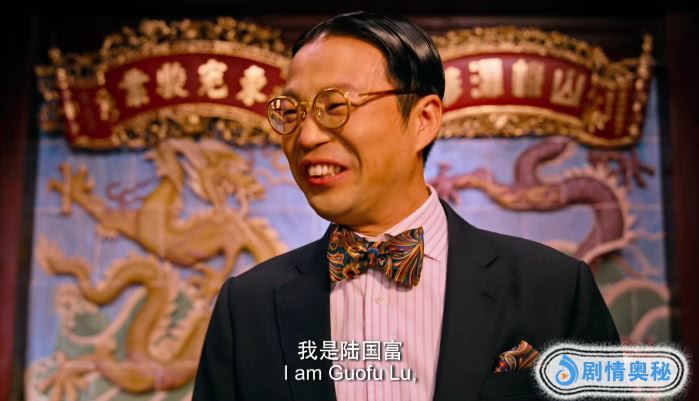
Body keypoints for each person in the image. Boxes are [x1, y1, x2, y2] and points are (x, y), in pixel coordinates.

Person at [192, 11, 619, 401]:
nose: (305, 137)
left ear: (423, 120)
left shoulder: (555, 291)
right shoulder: (247, 307)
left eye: (334, 106)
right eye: (291, 112)